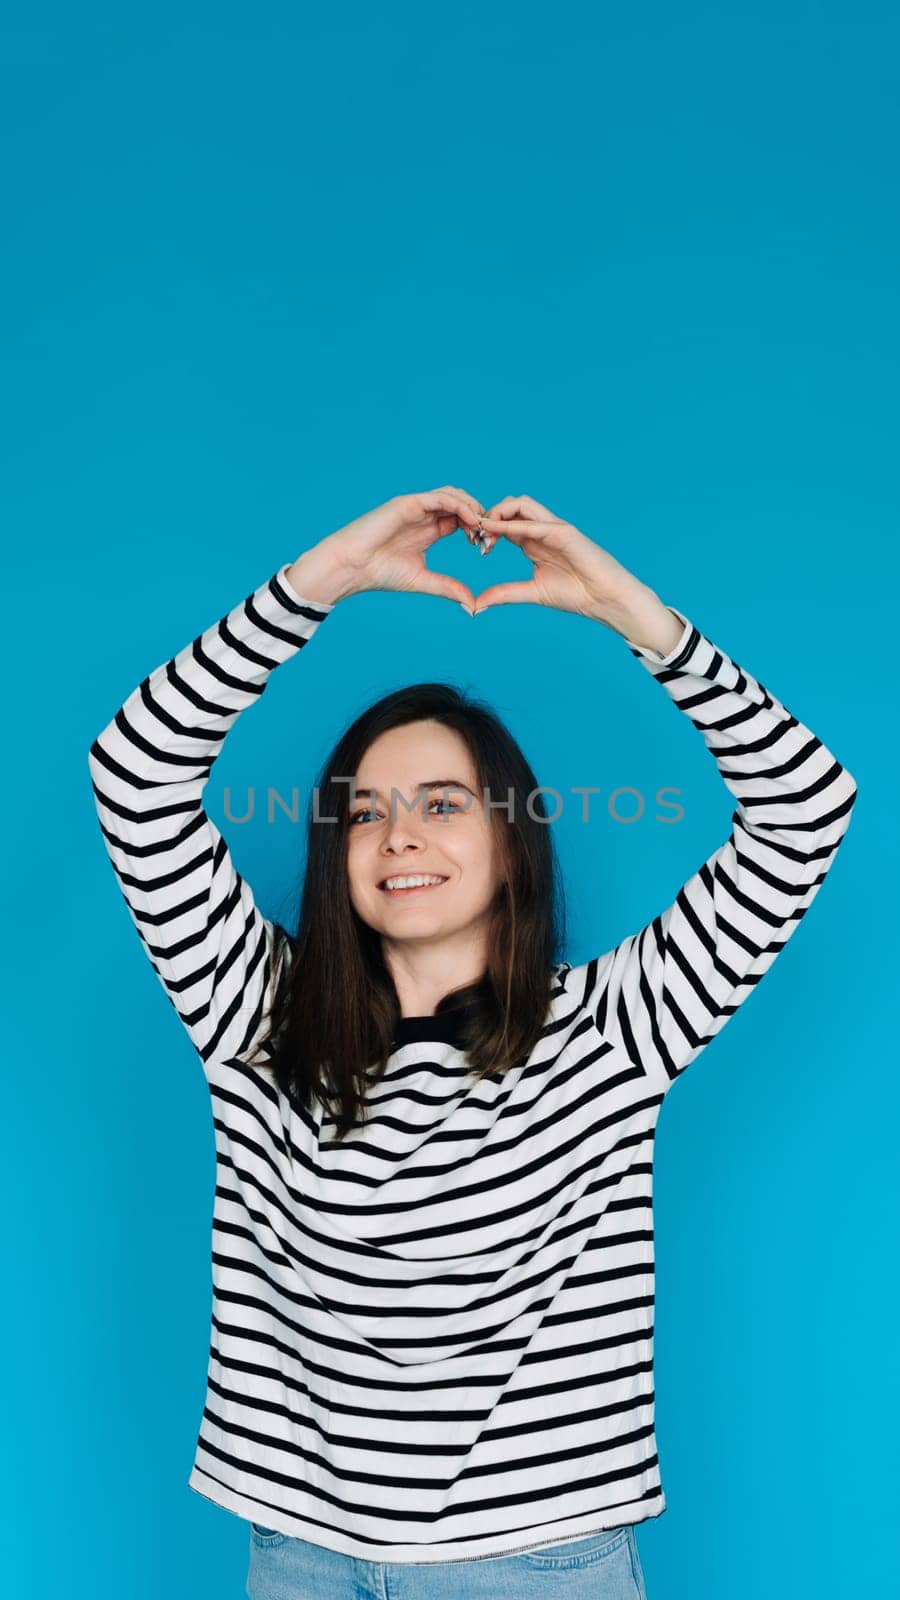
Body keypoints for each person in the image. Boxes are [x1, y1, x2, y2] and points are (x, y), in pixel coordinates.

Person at [87, 486, 857, 1599]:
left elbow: (804, 807)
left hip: (540, 1562)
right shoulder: (252, 1011)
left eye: (443, 804)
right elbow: (135, 772)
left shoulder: (615, 1025)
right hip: (300, 1555)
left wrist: (636, 617)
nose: (400, 834)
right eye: (366, 809)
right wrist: (321, 583)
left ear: (513, 839)